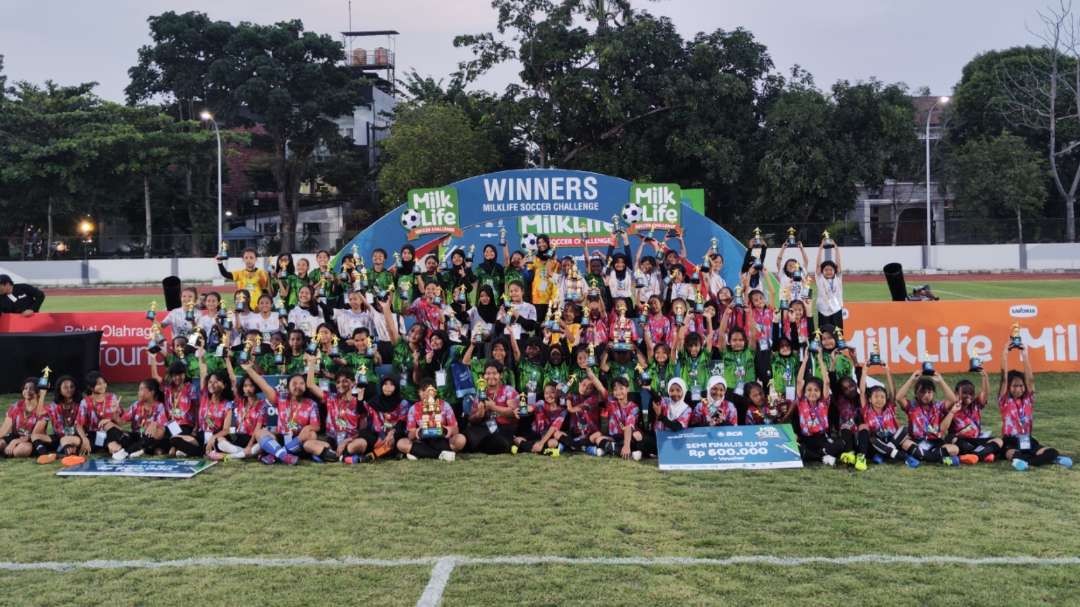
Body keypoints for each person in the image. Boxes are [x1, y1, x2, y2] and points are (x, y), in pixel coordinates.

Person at [998, 343, 1072, 471]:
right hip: (1010, 441)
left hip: (1027, 439)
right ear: (1008, 387)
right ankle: (1043, 460)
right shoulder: (1005, 400)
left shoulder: (1028, 399)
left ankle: (1036, 460)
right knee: (1011, 454)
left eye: (1021, 386)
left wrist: (1024, 354)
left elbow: (1030, 380)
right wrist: (1005, 354)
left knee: (1051, 451)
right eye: (1015, 386)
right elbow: (1004, 379)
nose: (1019, 389)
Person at [398, 380, 466, 460]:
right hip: (423, 442)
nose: (426, 394)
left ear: (435, 392)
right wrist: (419, 431)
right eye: (423, 390)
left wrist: (446, 430)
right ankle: (442, 454)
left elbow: (455, 430)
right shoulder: (413, 409)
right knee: (401, 444)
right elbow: (410, 435)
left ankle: (419, 453)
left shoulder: (445, 405)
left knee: (461, 439)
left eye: (429, 391)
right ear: (418, 392)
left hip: (442, 440)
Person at [0, 378, 48, 458]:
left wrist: (14, 442)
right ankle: (8, 450)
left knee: (21, 450)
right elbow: (4, 429)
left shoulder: (43, 410)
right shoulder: (16, 406)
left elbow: (34, 435)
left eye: (32, 389)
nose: (28, 391)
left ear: (38, 392)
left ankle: (8, 451)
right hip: (15, 436)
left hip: (31, 440)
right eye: (25, 388)